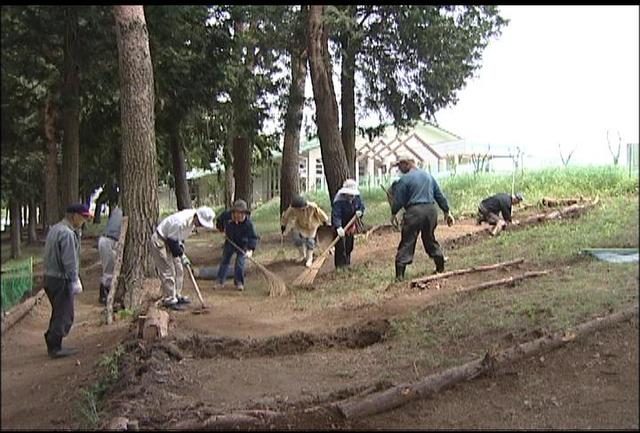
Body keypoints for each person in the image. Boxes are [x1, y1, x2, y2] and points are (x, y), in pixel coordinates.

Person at [391, 154, 454, 281]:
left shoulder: (405, 179)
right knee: (429, 238)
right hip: (431, 211)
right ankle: (440, 265)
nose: (399, 169)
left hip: (415, 212)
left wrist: (393, 213)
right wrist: (447, 211)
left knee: (408, 240)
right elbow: (439, 195)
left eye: (400, 165)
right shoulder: (428, 176)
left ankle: (399, 276)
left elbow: (398, 200)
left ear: (407, 164)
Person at [42, 203, 92, 358]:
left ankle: (52, 340)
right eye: (83, 218)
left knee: (58, 311)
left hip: (49, 277)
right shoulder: (67, 234)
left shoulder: (55, 229)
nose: (83, 221)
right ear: (74, 216)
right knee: (65, 314)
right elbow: (69, 260)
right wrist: (74, 279)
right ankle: (55, 347)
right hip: (60, 278)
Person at [150, 206, 215, 310]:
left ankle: (177, 295)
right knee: (168, 270)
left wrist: (182, 252)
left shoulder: (191, 222)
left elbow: (179, 239)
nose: (201, 226)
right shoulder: (179, 221)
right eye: (201, 223)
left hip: (172, 241)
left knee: (179, 269)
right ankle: (170, 300)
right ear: (197, 217)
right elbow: (172, 243)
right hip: (160, 241)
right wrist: (182, 255)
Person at [215, 199, 259, 291]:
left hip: (242, 245)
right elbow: (219, 220)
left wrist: (250, 250)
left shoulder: (248, 224)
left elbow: (253, 237)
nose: (239, 215)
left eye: (242, 213)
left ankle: (239, 282)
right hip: (230, 241)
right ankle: (220, 281)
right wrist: (221, 229)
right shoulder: (227, 216)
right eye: (237, 213)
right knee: (225, 260)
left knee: (240, 264)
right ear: (233, 212)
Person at [280, 194, 329, 267]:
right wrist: (283, 226)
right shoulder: (292, 208)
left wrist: (325, 221)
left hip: (311, 226)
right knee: (297, 239)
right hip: (300, 226)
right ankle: (302, 255)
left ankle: (309, 258)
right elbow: (286, 216)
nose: (299, 210)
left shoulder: (312, 207)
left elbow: (320, 214)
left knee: (310, 241)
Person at [331, 179, 365, 269]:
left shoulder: (357, 197)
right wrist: (338, 227)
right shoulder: (338, 200)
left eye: (352, 195)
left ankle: (347, 263)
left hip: (350, 222)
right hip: (340, 223)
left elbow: (361, 206)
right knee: (340, 245)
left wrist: (360, 212)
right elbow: (336, 215)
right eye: (349, 195)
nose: (351, 197)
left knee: (349, 244)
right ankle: (340, 266)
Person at [97, 205, 123, 305]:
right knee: (109, 269)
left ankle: (106, 294)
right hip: (109, 240)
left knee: (109, 268)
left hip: (107, 239)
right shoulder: (122, 210)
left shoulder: (117, 209)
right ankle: (104, 296)